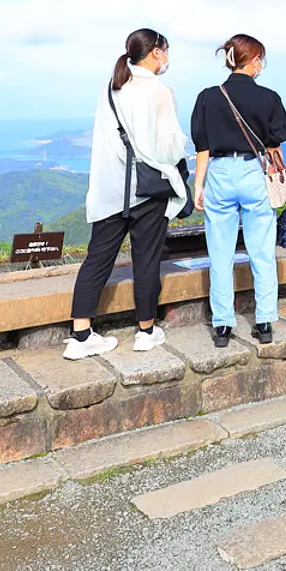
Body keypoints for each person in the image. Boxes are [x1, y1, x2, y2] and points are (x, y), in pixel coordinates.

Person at [66, 28, 189, 360]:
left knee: (96, 259)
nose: (167, 57)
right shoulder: (160, 90)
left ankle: (81, 335)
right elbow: (169, 146)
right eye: (166, 50)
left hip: (109, 190)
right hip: (147, 191)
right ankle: (146, 332)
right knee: (146, 260)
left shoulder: (112, 86)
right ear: (156, 52)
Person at [191, 34, 286, 349]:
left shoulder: (208, 97)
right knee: (262, 251)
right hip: (253, 172)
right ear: (255, 60)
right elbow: (274, 145)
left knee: (220, 253)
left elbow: (202, 147)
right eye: (261, 60)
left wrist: (199, 184)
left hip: (220, 173)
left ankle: (222, 325)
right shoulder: (269, 98)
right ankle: (264, 322)